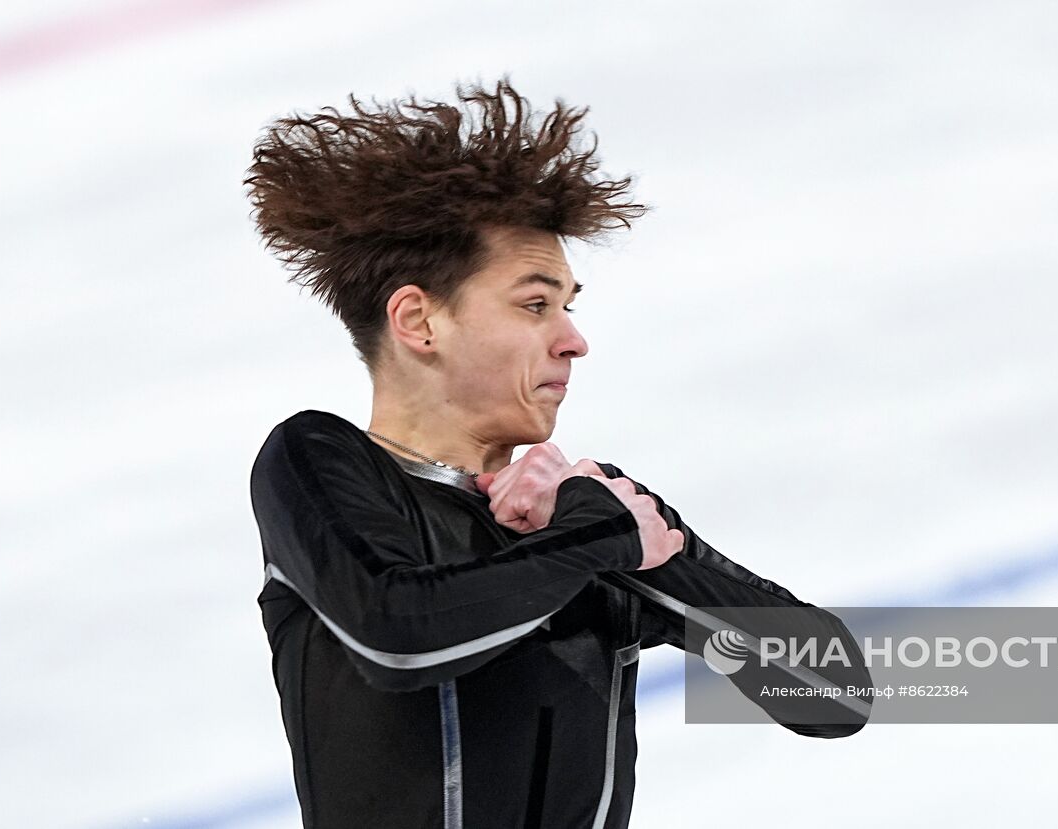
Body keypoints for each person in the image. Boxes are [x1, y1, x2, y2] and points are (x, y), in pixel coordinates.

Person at [245, 76, 871, 829]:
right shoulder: (320, 461)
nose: (573, 338)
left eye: (569, 306)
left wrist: (645, 553)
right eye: (535, 304)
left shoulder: (585, 510)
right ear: (419, 321)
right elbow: (401, 636)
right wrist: (593, 539)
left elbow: (833, 693)